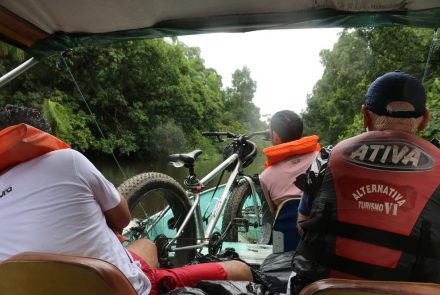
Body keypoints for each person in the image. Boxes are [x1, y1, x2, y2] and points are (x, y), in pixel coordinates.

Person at [0, 105, 253, 295]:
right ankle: (162, 280)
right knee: (241, 270)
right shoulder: (68, 160)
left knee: (147, 244)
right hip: (123, 288)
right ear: (40, 137)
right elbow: (122, 219)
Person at [291, 71, 440, 294]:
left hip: (321, 290)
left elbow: (302, 227)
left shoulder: (326, 158)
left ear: (365, 116)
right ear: (425, 119)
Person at [259, 110, 321, 247]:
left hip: (284, 248)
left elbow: (273, 212)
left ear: (275, 136)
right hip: (319, 246)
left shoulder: (265, 177)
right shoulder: (323, 160)